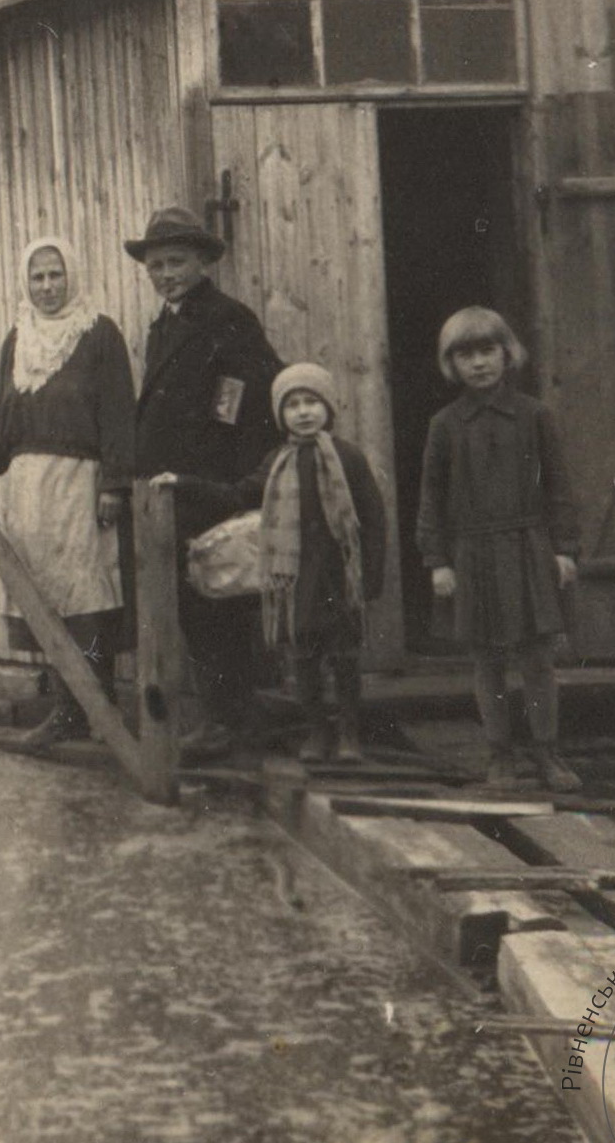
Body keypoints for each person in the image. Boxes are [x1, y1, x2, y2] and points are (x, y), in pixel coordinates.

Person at [155, 363, 387, 763]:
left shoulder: (348, 458)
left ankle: (349, 734)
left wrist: (372, 576)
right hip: (296, 580)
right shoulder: (279, 462)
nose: (303, 412)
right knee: (304, 658)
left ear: (328, 408)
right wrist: (184, 483)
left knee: (345, 659)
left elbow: (373, 516)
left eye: (311, 402)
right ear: (282, 415)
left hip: (337, 576)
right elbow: (237, 494)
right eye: (293, 405)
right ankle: (316, 732)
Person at [0, 236, 135, 738]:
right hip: (27, 489)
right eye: (37, 277)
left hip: (79, 483)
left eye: (55, 275)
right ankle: (66, 708)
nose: (47, 287)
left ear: (72, 276)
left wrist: (114, 484)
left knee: (86, 595)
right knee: (42, 593)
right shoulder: (18, 339)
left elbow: (119, 413)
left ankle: (98, 705)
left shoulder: (98, 334)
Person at [128, 204, 284, 758]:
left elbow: (238, 396)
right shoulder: (164, 324)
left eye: (175, 262)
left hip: (208, 483)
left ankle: (231, 721)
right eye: (155, 265)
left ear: (201, 262)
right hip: (170, 488)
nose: (165, 274)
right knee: (192, 602)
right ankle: (223, 716)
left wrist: (219, 476)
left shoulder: (227, 319)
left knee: (214, 600)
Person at [418, 306, 581, 792]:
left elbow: (559, 488)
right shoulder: (444, 426)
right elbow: (431, 496)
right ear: (452, 364)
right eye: (465, 354)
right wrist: (437, 560)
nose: (479, 363)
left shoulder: (535, 415)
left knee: (536, 659)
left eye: (488, 350)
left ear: (506, 354)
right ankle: (500, 756)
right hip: (473, 555)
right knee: (486, 660)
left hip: (529, 548)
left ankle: (548, 754)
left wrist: (564, 548)